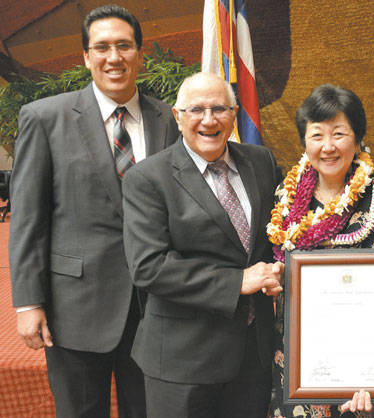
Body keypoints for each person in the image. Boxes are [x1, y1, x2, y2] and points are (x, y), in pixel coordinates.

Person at [9, 5, 179, 417]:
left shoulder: (168, 119)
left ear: (140, 55)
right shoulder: (45, 118)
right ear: (85, 57)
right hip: (76, 309)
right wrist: (28, 303)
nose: (113, 57)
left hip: (153, 309)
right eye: (101, 47)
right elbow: (29, 217)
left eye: (124, 46)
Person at [121, 71, 284, 418]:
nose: (208, 120)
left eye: (219, 109)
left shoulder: (261, 162)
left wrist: (366, 192)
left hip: (253, 355)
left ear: (234, 113)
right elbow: (148, 267)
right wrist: (237, 282)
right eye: (196, 110)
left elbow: (290, 224)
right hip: (183, 362)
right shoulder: (148, 179)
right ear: (178, 117)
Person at [267, 84, 374, 418]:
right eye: (317, 135)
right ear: (304, 141)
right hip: (296, 352)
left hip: (359, 362)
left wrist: (372, 371)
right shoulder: (286, 196)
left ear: (357, 139)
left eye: (339, 134)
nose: (328, 147)